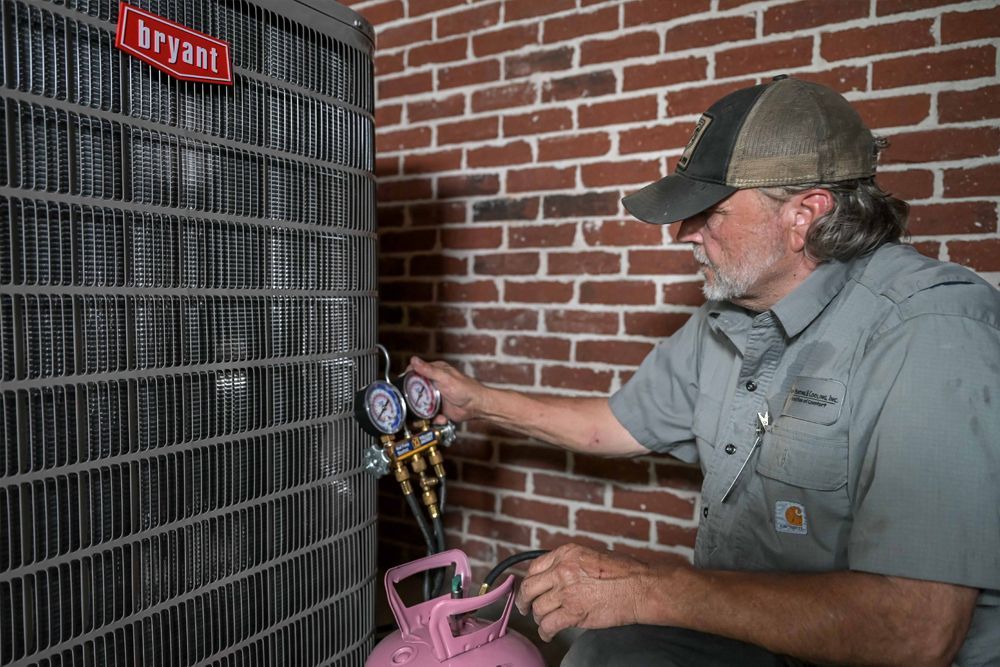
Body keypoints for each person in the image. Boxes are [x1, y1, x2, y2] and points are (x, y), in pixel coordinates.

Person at [409, 76, 1000, 666]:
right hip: (757, 632)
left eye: (708, 213)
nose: (685, 233)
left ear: (805, 215)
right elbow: (611, 426)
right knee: (606, 655)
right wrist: (476, 402)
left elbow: (913, 633)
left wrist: (647, 589)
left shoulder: (932, 328)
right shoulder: (732, 315)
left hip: (871, 651)